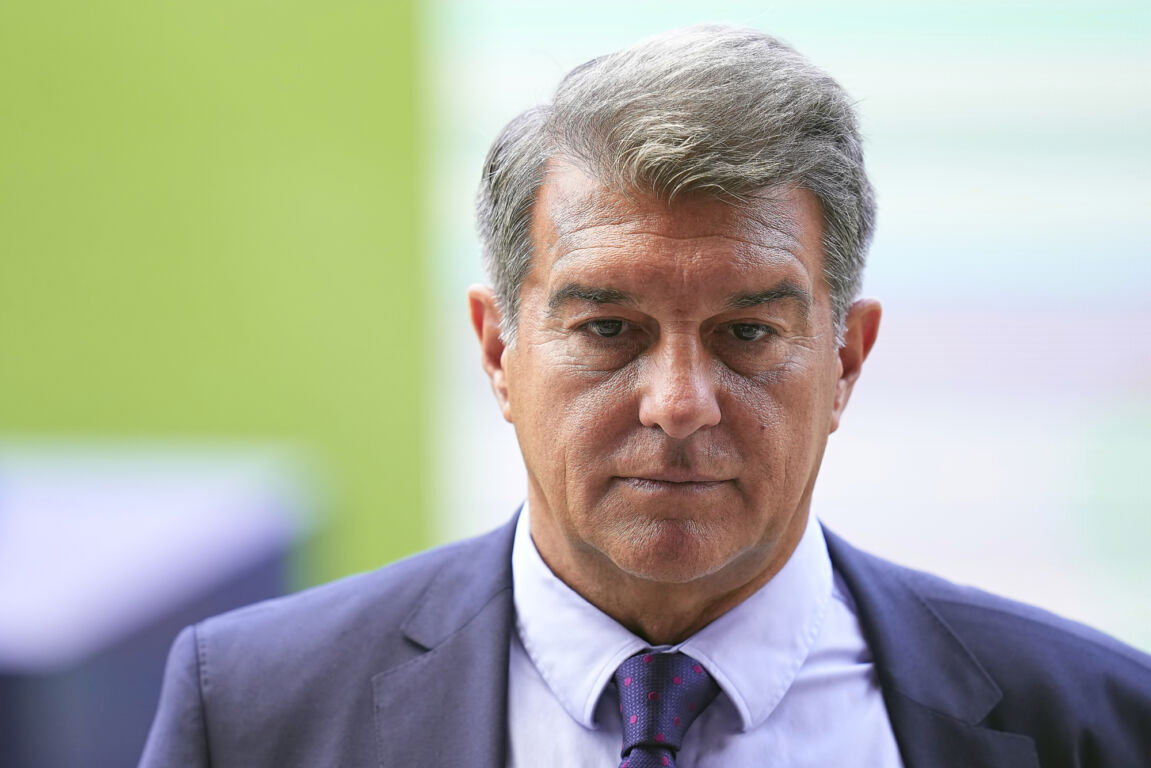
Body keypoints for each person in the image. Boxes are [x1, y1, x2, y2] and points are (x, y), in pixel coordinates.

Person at [140, 24, 1151, 767]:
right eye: (607, 330)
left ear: (846, 359)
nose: (677, 404)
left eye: (746, 334)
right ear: (496, 350)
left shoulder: (1097, 723)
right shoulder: (252, 714)